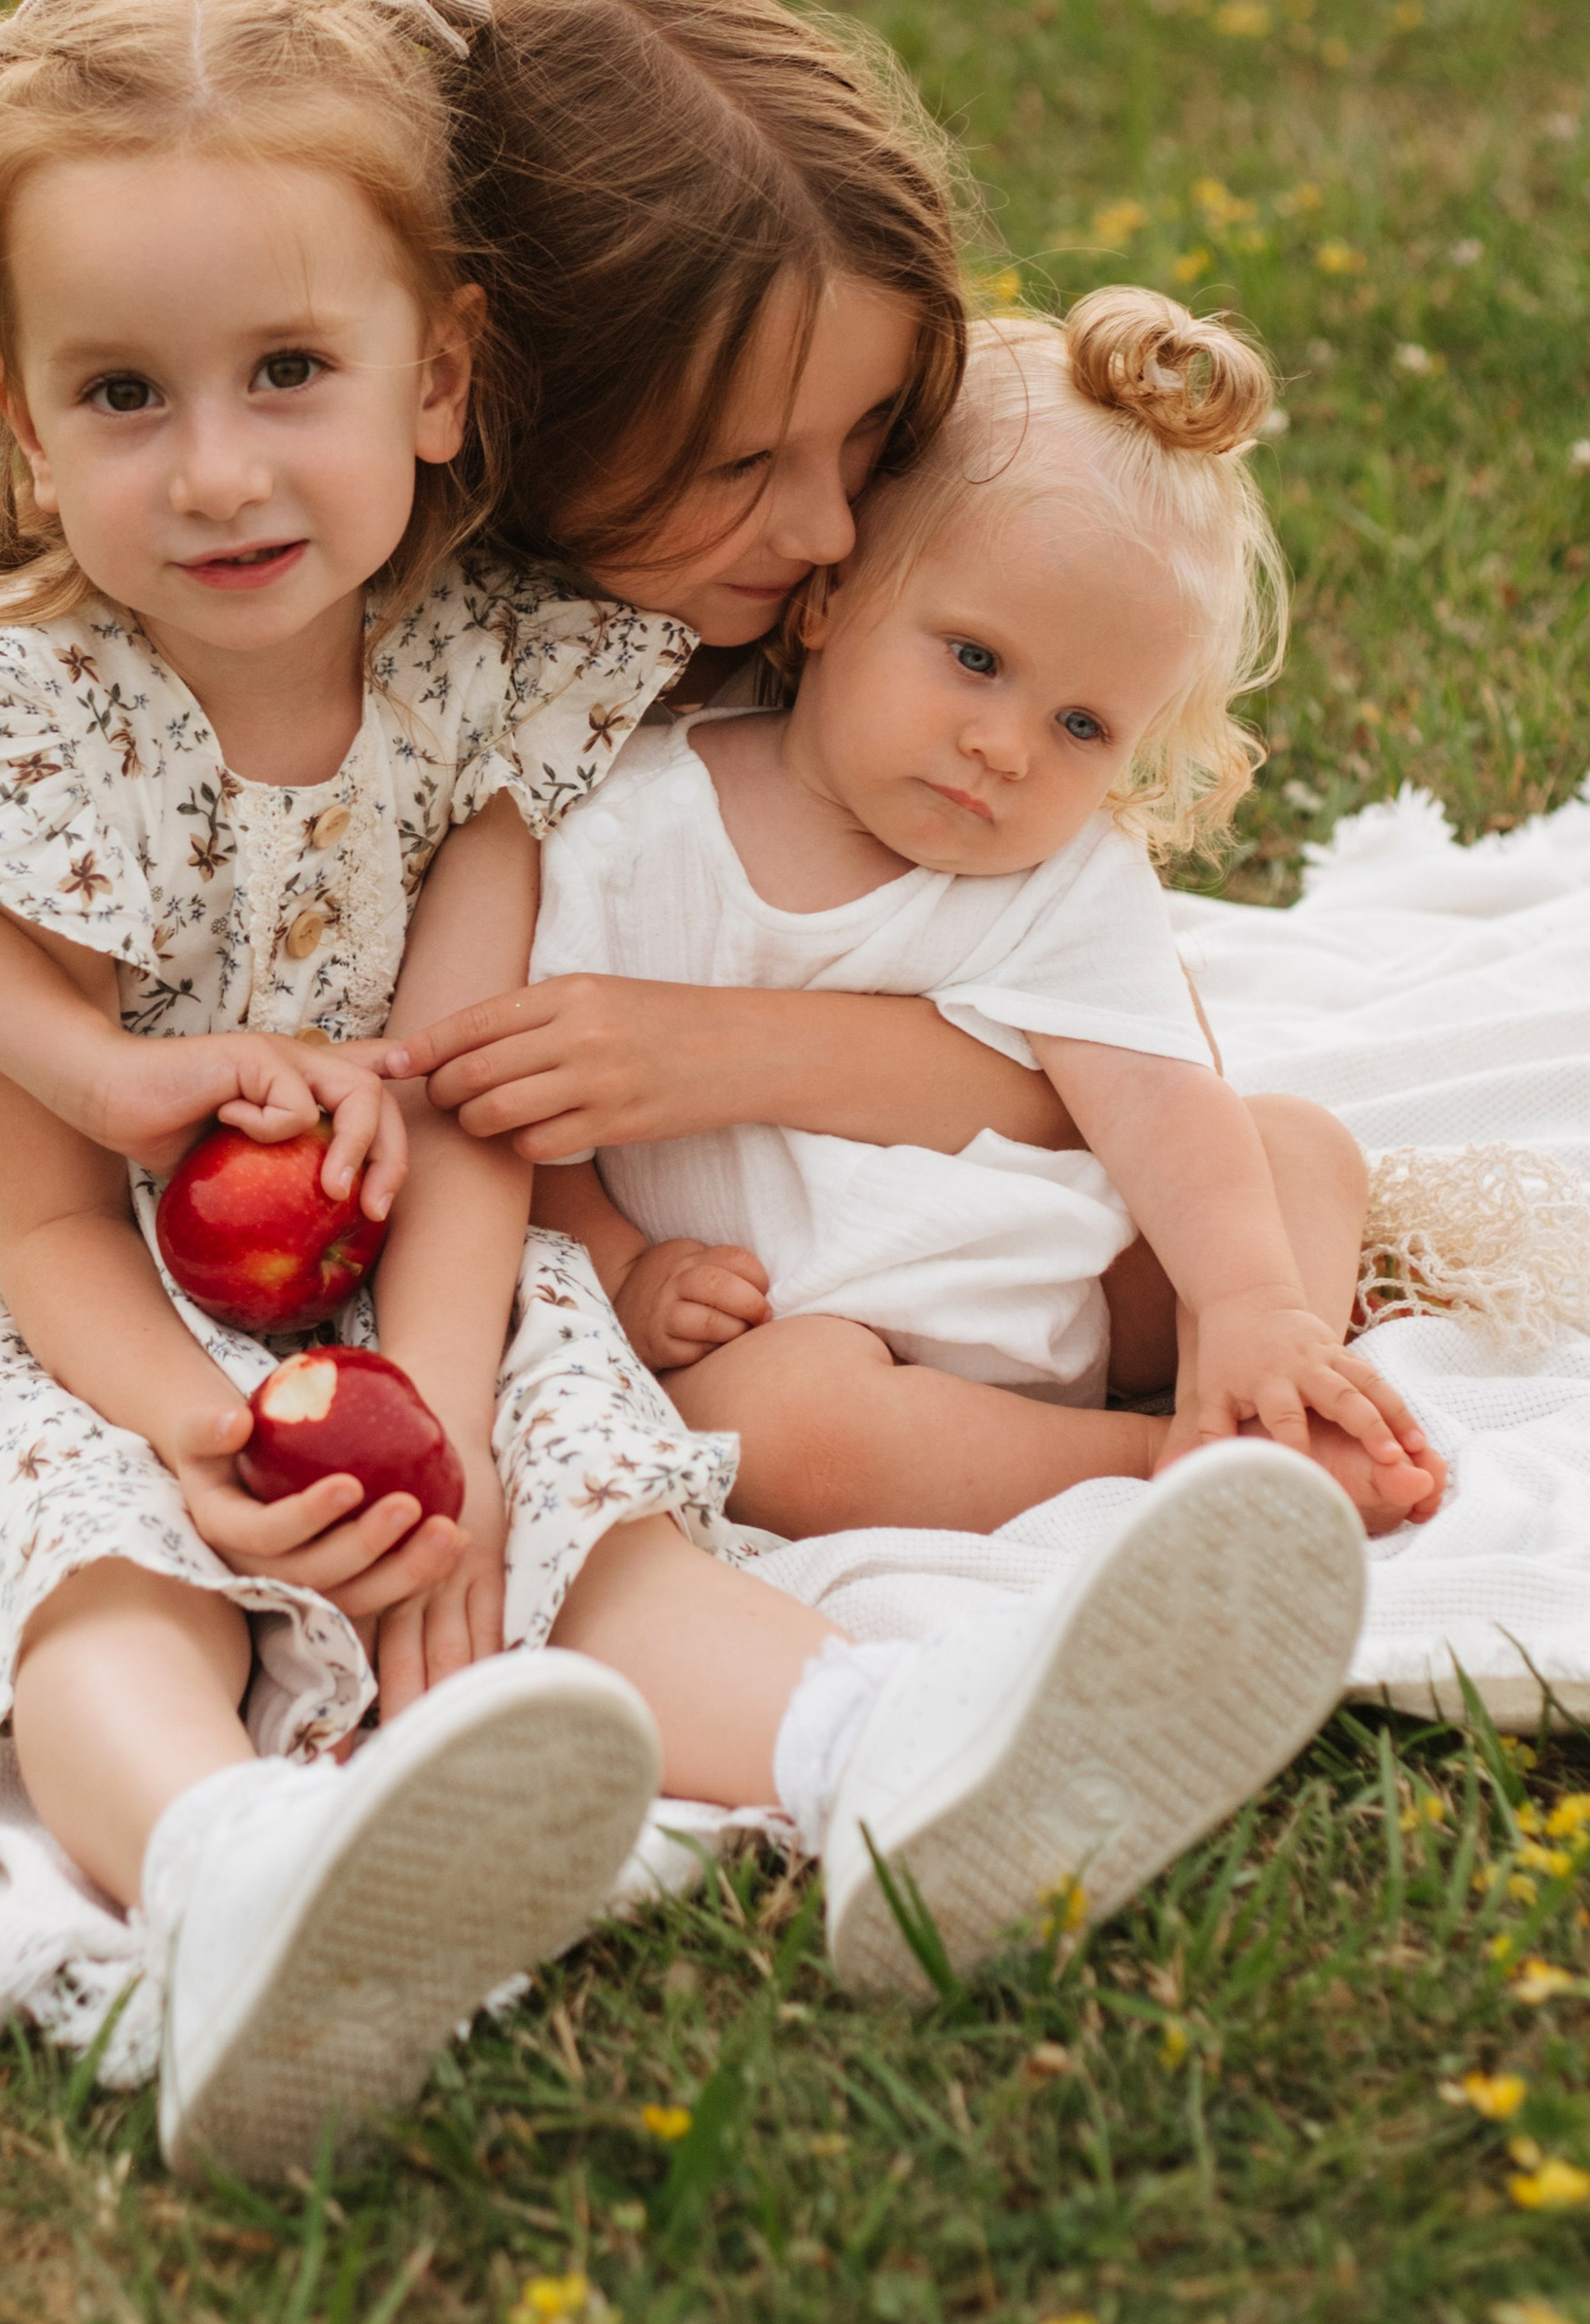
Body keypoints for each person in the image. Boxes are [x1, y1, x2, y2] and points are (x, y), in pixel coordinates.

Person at [0, 0, 1366, 2171]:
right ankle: (226, 1882)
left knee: (588, 1469)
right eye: (758, 464)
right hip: (32, 1277)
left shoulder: (531, 674)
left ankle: (888, 1758)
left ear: (440, 380)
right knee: (91, 1554)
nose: (832, 536)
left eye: (864, 448)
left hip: (397, 1258)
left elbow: (496, 1075)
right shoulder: (47, 695)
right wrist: (155, 1267)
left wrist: (442, 1413)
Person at [526, 288, 1451, 1540]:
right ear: (827, 600)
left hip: (1059, 1282)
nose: (1007, 748)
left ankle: (1253, 1384)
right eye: (974, 658)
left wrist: (1248, 1304)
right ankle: (1157, 1458)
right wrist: (628, 1269)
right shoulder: (630, 835)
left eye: (1083, 726)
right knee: (778, 1431)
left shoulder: (1066, 873)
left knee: (1288, 1147)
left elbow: (1162, 1099)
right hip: (819, 1328)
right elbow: (540, 1125)